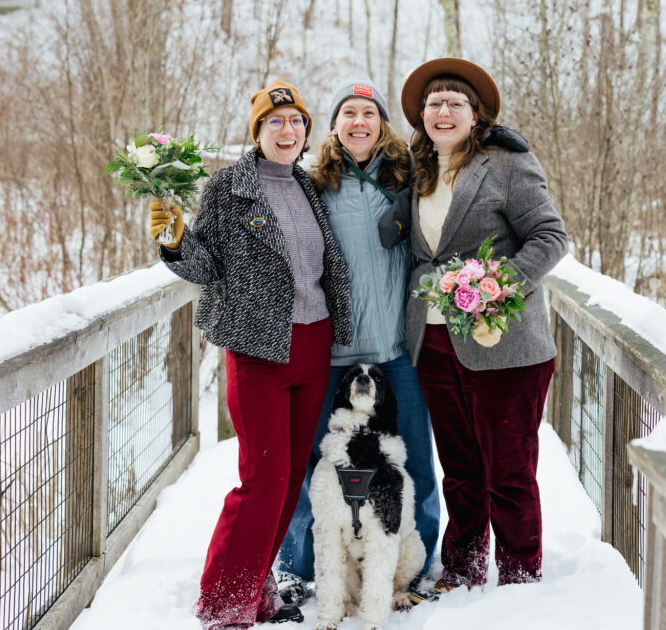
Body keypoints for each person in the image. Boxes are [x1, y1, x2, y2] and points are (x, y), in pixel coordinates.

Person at [149, 80, 352, 628]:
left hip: (313, 346)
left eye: (296, 122)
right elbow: (205, 265)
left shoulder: (309, 187)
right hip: (258, 349)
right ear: (257, 131)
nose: (286, 131)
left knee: (289, 480)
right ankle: (224, 602)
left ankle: (256, 589)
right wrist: (173, 242)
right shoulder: (226, 188)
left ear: (306, 132)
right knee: (261, 480)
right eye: (275, 122)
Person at [399, 58, 568, 591]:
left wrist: (497, 284)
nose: (443, 111)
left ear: (476, 115)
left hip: (506, 346)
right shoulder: (416, 169)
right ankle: (464, 568)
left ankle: (521, 575)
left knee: (508, 473)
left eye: (455, 103)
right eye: (433, 103)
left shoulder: (506, 164)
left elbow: (550, 237)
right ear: (422, 116)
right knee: (461, 470)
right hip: (432, 340)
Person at [275, 80, 441, 589]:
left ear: (382, 123)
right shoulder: (311, 185)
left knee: (413, 457)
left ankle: (413, 564)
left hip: (396, 350)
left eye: (369, 112)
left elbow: (460, 163)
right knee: (314, 463)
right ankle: (300, 566)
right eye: (349, 112)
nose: (359, 122)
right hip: (332, 354)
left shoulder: (410, 179)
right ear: (334, 125)